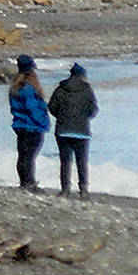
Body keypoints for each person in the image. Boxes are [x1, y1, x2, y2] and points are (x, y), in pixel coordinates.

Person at [48, 62, 99, 199]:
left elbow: (52, 107)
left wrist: (61, 116)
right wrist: (84, 118)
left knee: (65, 161)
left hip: (63, 129)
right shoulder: (87, 90)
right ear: (83, 75)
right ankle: (83, 190)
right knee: (81, 161)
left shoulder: (61, 88)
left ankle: (65, 189)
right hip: (81, 130)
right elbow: (93, 109)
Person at [8, 54, 49, 192]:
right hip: (32, 126)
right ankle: (29, 183)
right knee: (29, 156)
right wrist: (43, 121)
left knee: (23, 156)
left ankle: (25, 182)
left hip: (20, 125)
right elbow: (32, 108)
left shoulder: (15, 86)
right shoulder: (28, 88)